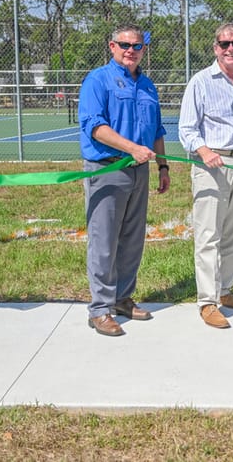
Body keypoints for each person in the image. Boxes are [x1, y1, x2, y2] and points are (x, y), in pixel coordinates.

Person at [78, 26, 171, 337]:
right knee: (104, 240)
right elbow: (94, 126)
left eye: (137, 45)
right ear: (112, 46)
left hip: (140, 170)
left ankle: (122, 298)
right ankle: (100, 309)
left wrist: (163, 165)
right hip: (107, 169)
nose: (131, 50)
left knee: (132, 239)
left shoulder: (147, 85)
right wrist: (131, 148)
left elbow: (157, 129)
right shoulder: (98, 80)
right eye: (124, 45)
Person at [178, 22, 233, 329]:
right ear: (215, 48)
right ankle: (208, 301)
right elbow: (187, 128)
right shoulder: (200, 82)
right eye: (224, 44)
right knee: (208, 234)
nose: (230, 49)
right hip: (210, 165)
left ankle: (225, 290)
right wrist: (204, 152)